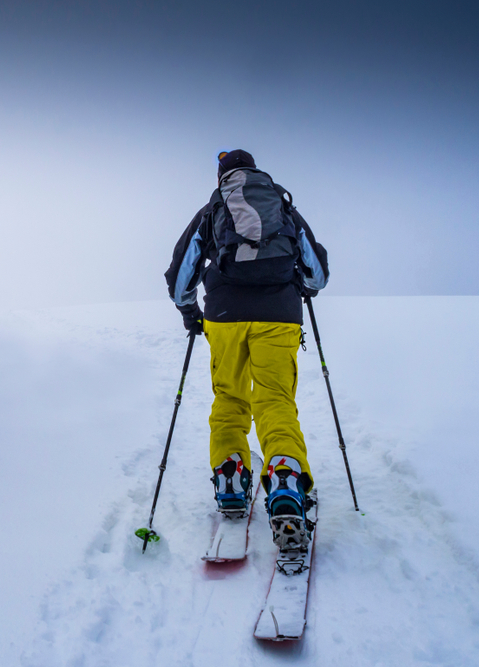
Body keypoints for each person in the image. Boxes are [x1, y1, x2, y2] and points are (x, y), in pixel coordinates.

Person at [164, 149, 329, 549]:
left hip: (225, 314)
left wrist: (190, 311)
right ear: (254, 170)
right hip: (279, 314)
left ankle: (231, 477)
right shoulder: (282, 205)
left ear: (221, 175)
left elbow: (181, 271)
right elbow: (318, 271)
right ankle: (286, 478)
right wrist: (303, 288)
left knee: (230, 399)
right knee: (274, 401)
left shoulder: (213, 209)